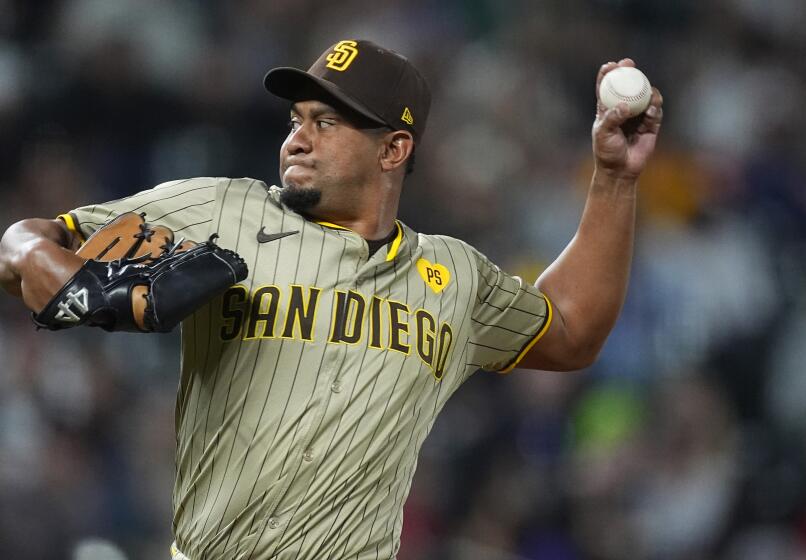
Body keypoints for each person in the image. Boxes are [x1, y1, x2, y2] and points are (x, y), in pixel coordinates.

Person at [0, 39, 663, 560]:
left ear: (394, 148)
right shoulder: (219, 209)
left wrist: (612, 178)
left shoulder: (455, 276)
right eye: (296, 119)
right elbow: (25, 239)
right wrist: (52, 267)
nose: (296, 137)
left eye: (326, 122)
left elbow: (572, 332)